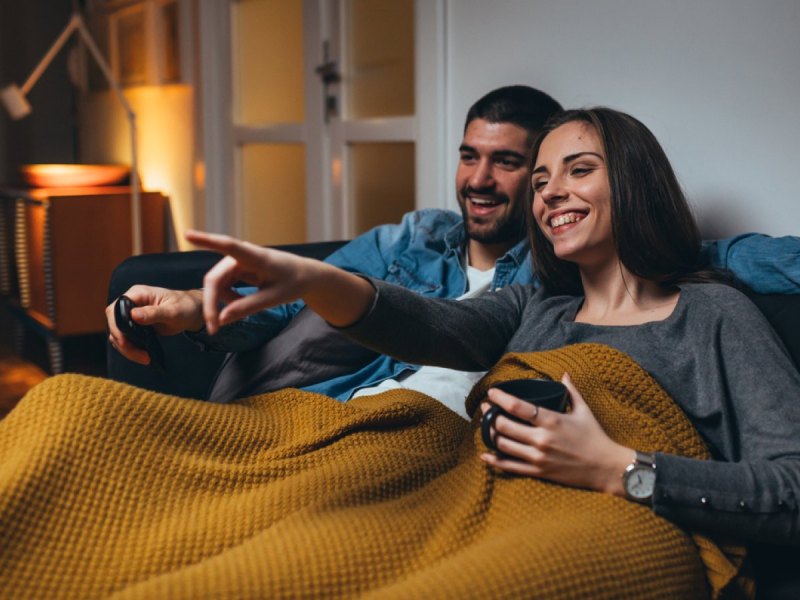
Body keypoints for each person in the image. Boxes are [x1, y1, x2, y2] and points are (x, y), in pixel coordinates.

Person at [183, 107, 800, 548]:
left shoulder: (714, 315)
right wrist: (313, 278)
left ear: (635, 184)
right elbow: (428, 325)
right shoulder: (533, 307)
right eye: (539, 181)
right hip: (467, 502)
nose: (550, 193)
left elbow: (791, 488)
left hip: (605, 532)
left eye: (577, 171)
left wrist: (618, 468)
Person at [107, 86, 800, 411]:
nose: (479, 179)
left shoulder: (556, 279)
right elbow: (299, 311)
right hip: (318, 407)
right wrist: (194, 308)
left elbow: (719, 254)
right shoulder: (411, 240)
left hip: (419, 439)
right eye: (470, 156)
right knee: (78, 415)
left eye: (507, 164)